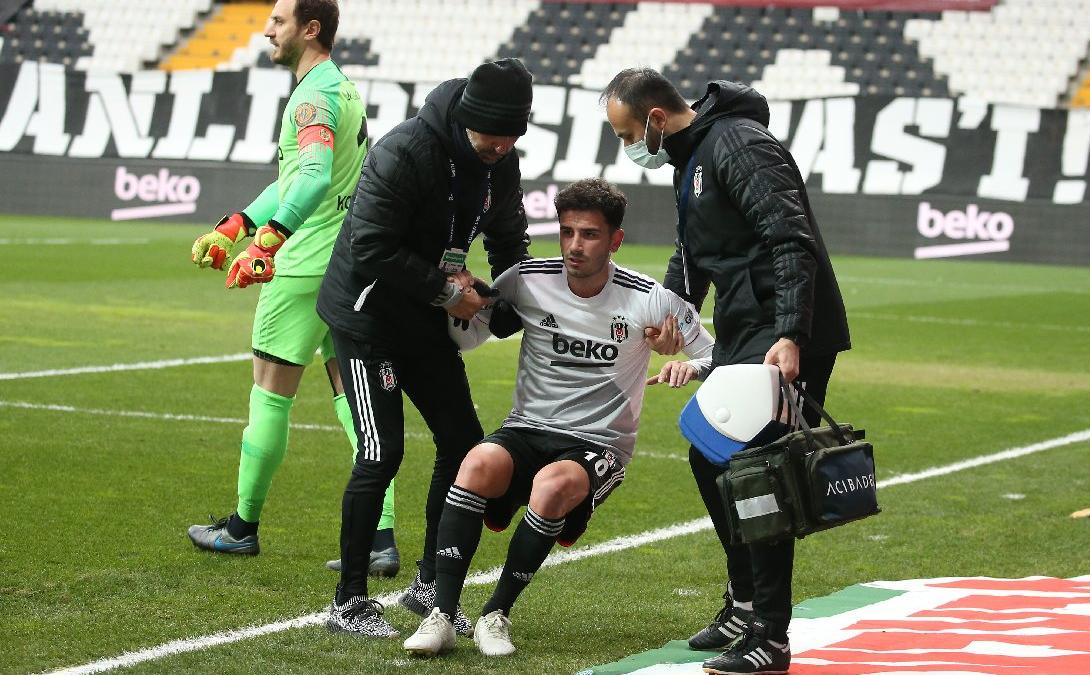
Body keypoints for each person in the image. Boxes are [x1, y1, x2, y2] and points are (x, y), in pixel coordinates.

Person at [399, 177, 715, 657]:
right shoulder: (527, 279)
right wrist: (460, 299)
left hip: (598, 443)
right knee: (476, 464)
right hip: (528, 427)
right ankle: (442, 614)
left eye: (588, 234)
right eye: (567, 232)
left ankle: (495, 614)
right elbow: (470, 337)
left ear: (615, 240)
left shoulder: (649, 299)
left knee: (550, 486)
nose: (574, 245)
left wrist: (686, 364)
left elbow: (718, 356)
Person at [602, 69, 852, 675]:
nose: (628, 145)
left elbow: (790, 240)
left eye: (628, 132)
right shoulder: (692, 161)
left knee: (757, 471)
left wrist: (790, 333)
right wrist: (665, 317)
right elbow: (692, 256)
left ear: (656, 119)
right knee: (711, 458)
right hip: (751, 332)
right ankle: (745, 605)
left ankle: (771, 634)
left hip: (785, 333)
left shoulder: (738, 144)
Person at [315, 58, 536, 638]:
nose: (500, 147)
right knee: (382, 453)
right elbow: (369, 247)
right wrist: (444, 291)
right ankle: (349, 600)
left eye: (512, 136)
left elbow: (509, 235)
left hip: (423, 320)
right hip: (368, 319)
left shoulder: (501, 159)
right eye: (493, 135)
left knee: (463, 443)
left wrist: (515, 299)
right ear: (466, 117)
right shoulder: (405, 151)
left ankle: (430, 588)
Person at [185, 0, 401, 575]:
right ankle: (381, 540)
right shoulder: (341, 89)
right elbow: (302, 177)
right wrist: (238, 225)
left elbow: (307, 178)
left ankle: (241, 526)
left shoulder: (312, 96)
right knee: (357, 403)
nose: (265, 30)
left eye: (277, 22)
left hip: (305, 267)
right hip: (348, 266)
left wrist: (268, 242)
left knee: (269, 391)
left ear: (310, 30)